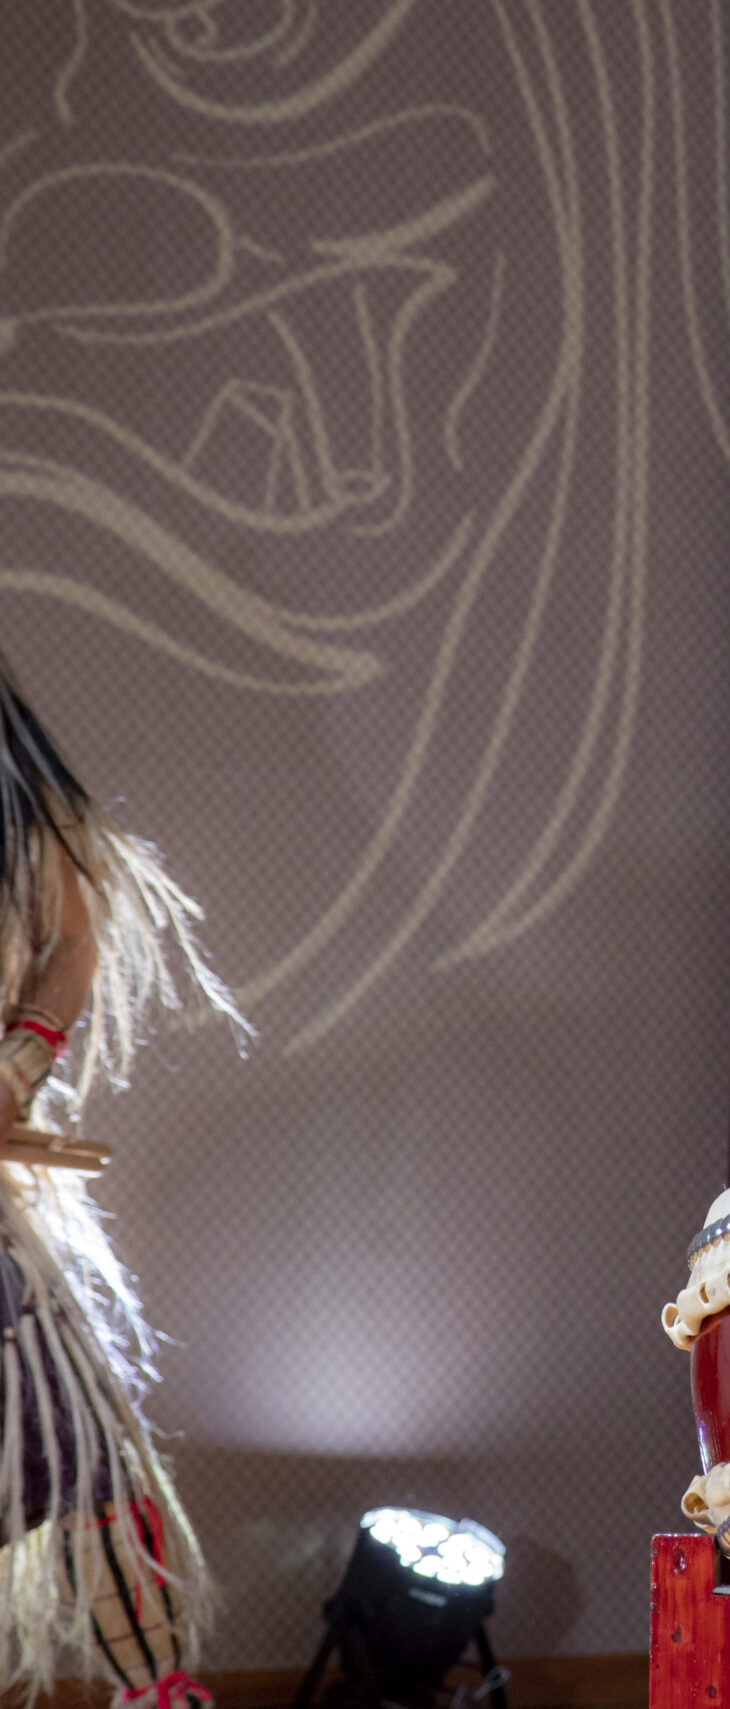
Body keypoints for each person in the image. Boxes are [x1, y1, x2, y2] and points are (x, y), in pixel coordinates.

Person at [0, 654, 233, 1709]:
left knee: (83, 1450)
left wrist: (17, 1064)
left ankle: (155, 1683)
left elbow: (70, 938)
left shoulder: (22, 812)